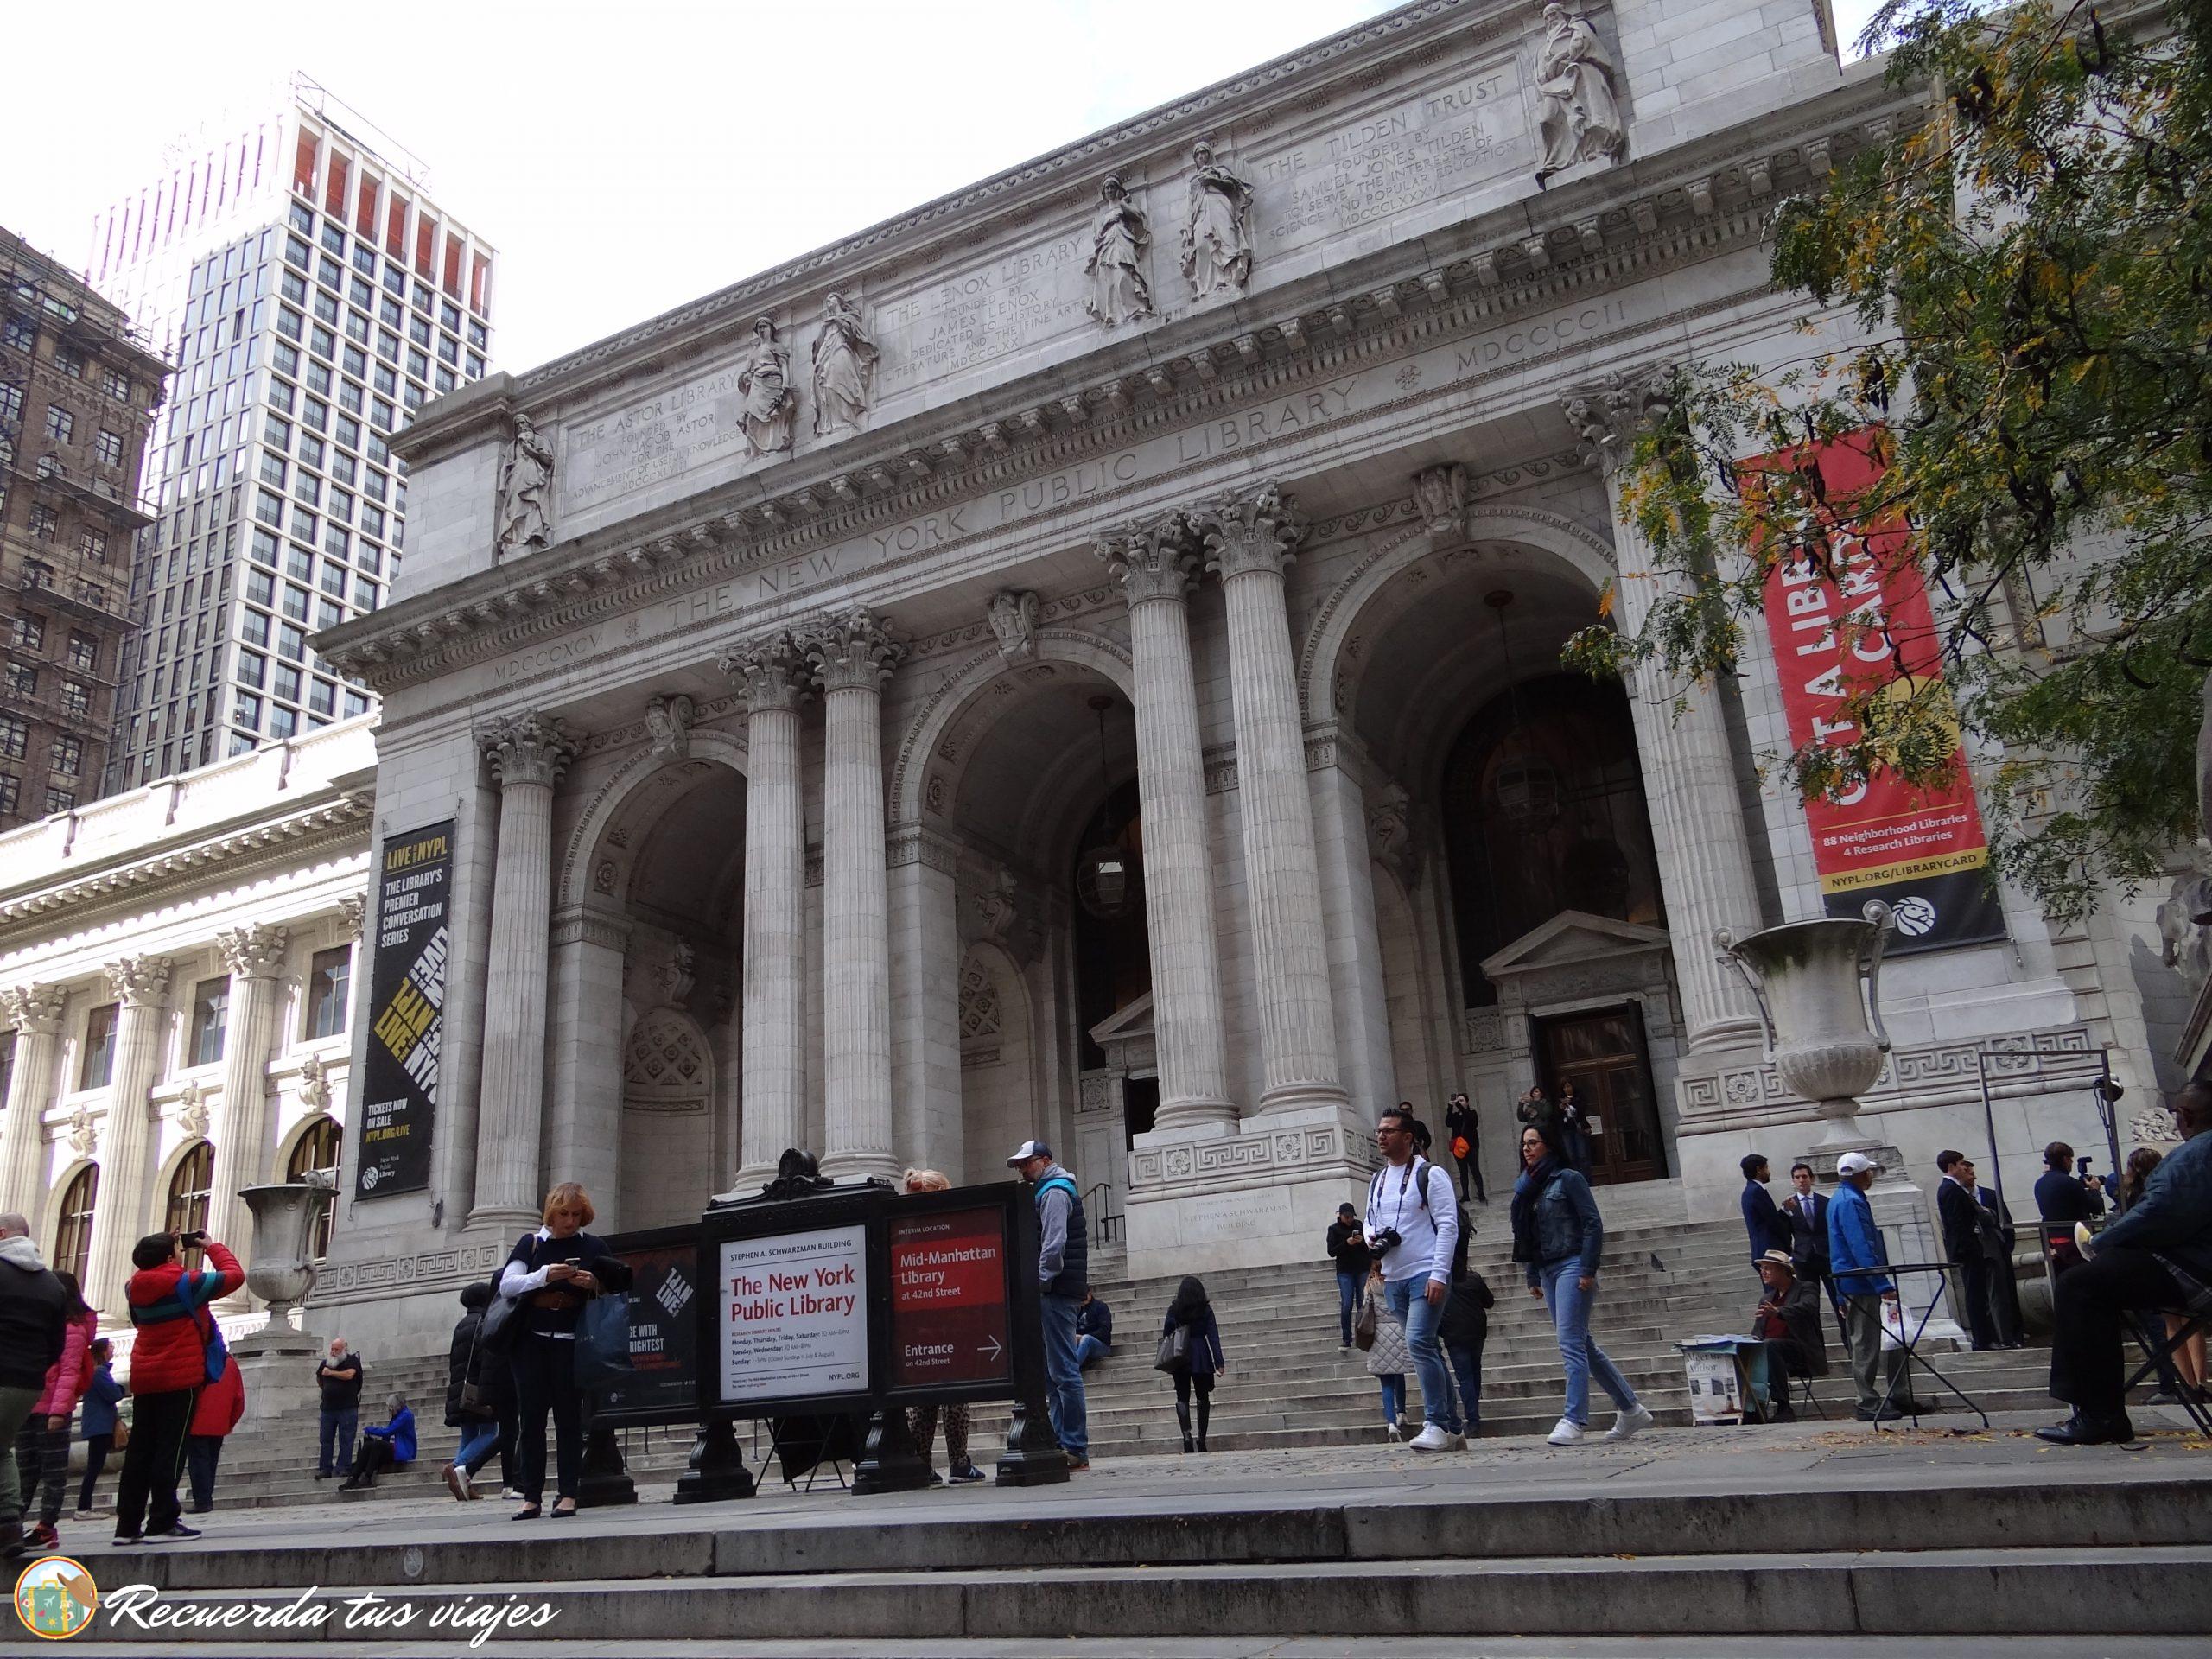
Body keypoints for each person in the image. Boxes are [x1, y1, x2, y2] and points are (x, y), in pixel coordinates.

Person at [2038, 1082, 2212, 1446]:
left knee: (2079, 1285)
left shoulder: (2197, 1153)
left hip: (2195, 1271)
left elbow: (2160, 1212)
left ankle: (2100, 1414)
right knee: (2094, 1280)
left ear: (2186, 1115)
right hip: (2194, 1263)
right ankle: (2098, 1410)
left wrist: (2100, 1242)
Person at [1511, 1121, 1652, 1446]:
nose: (1527, 1149)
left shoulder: (1568, 1178)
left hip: (1573, 1263)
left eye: (1533, 1142)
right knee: (1582, 1343)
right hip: (1547, 1268)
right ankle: (1630, 1408)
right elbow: (1528, 1234)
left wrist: (1588, 1268)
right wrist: (1532, 1273)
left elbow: (1592, 1223)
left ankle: (1573, 1419)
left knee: (1570, 1342)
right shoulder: (1527, 1186)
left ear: (1549, 1145)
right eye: (1524, 1144)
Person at [497, 1182, 632, 1519]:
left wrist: (593, 1284)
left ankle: (568, 1493)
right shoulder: (532, 1245)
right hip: (532, 1341)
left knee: (569, 1420)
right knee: (530, 1419)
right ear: (551, 1214)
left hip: (572, 1343)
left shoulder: (594, 1246)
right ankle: (531, 1495)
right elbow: (507, 1285)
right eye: (563, 1214)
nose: (569, 1221)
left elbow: (617, 1288)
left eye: (575, 1215)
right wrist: (543, 1275)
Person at [115, 1228, 244, 1544]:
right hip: (181, 1377)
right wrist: (211, 1246)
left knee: (140, 1451)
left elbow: (146, 1289)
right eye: (177, 1249)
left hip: (145, 1377)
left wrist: (160, 1246)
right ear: (171, 1257)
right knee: (171, 1451)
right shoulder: (188, 1283)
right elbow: (235, 1275)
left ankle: (127, 1525)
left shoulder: (133, 1288)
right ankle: (162, 1520)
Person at [1363, 1106, 1463, 1452]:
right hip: (1394, 1277)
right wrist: (1372, 1240)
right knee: (1427, 1348)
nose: (1381, 1136)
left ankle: (1435, 1423)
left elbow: (1448, 1225)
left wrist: (1439, 1273)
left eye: (1388, 1131)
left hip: (1425, 1272)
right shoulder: (1377, 1180)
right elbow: (1368, 1222)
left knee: (1419, 1343)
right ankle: (1453, 1427)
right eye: (1379, 1130)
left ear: (1407, 1137)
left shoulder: (1430, 1174)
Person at [898, 1168, 984, 1484]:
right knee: (956, 1395)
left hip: (918, 1327)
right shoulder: (949, 1226)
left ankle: (921, 1465)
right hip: (951, 1322)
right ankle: (959, 1462)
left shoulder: (903, 1229)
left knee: (922, 1398)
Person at [1008, 1141, 1089, 1471]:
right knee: (1055, 1374)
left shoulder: (1054, 1192)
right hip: (1056, 1290)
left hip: (1054, 1291)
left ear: (1044, 1160)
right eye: (1020, 1165)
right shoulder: (1048, 1190)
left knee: (1063, 1372)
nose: (1023, 1170)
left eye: (1027, 1164)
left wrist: (1039, 1283)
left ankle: (1074, 1446)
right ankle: (1062, 1441)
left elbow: (1053, 1246)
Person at [0, 1212, 70, 1559]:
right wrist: (33, 1368)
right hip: (27, 1383)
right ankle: (9, 1524)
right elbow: (57, 1344)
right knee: (2, 1450)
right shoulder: (51, 1284)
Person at [1827, 1151, 1911, 1421]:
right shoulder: (1851, 1201)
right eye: (1870, 1172)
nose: (1872, 1176)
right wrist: (1880, 1282)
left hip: (1851, 1281)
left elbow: (1840, 1248)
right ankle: (1868, 1402)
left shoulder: (1838, 1199)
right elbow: (1860, 1245)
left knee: (1876, 1340)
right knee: (1866, 1343)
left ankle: (1890, 1396)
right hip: (1860, 1282)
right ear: (1863, 1174)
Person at [16, 1269, 95, 1551]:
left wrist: (58, 1412)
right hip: (28, 1406)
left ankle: (46, 1526)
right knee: (24, 1471)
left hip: (51, 1410)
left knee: (52, 1472)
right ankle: (14, 1525)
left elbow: (68, 1374)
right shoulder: (42, 1326)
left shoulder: (72, 1330)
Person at [443, 1282, 505, 1501]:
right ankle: (458, 1466)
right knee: (490, 1433)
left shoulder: (461, 1325)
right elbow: (485, 1357)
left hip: (461, 1388)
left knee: (468, 1434)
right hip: (479, 1388)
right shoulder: (483, 1321)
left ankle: (463, 1484)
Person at [1749, 1250, 1827, 1421]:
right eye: (1762, 1268)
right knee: (1743, 1350)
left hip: (1799, 1351)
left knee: (1770, 1345)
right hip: (1769, 1351)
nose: (1763, 1272)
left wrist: (1778, 1312)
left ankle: (1784, 1407)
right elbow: (1758, 1331)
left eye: (1768, 1268)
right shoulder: (1767, 1298)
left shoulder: (1806, 1289)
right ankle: (1751, 1409)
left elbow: (1808, 1308)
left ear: (1783, 1270)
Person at [1936, 1151, 2001, 1351]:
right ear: (1951, 1166)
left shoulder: (1953, 1189)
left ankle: (1986, 1338)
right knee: (1976, 1296)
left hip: (1969, 1248)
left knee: (1978, 1294)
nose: (1964, 1168)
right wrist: (1968, 1247)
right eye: (1960, 1164)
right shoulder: (1951, 1189)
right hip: (1967, 1249)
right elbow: (1957, 1223)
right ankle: (1983, 1339)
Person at [1160, 1276, 1226, 1453]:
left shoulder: (1174, 1309)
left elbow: (1167, 1333)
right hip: (1200, 1354)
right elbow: (1213, 1337)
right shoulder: (1205, 1310)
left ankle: (1187, 1437)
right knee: (1202, 1396)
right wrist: (1219, 1362)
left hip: (1180, 1354)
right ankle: (1201, 1438)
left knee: (1182, 1397)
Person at [1438, 1260, 1493, 1440]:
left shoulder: (1442, 1282)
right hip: (1476, 1330)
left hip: (1454, 1334)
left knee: (1465, 1377)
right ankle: (1474, 1413)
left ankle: (1473, 1418)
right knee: (1475, 1371)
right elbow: (1489, 1301)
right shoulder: (1473, 1278)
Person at [72, 1339, 124, 1522]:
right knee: (94, 1467)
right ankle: (83, 1507)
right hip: (101, 1425)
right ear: (102, 1351)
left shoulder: (95, 1371)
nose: (113, 1349)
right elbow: (114, 1394)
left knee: (94, 1466)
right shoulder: (100, 1372)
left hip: (97, 1424)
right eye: (110, 1347)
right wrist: (120, 1388)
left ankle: (84, 1507)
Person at [185, 1355, 244, 1513]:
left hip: (197, 1421)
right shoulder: (230, 1363)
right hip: (220, 1421)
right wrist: (231, 1421)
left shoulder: (196, 1360)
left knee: (198, 1463)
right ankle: (206, 1498)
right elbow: (239, 1397)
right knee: (210, 1462)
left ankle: (203, 1500)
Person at [2035, 1141, 2107, 1271]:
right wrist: (2095, 1190)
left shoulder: (2040, 1183)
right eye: (2071, 1160)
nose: (2071, 1163)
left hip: (2052, 1240)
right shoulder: (2069, 1183)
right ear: (2065, 1159)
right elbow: (2096, 1208)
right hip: (2073, 1240)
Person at [1363, 1262, 1413, 1441]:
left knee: (1386, 1382)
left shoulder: (1369, 1288)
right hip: (1399, 1331)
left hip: (1379, 1335)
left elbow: (1365, 1311)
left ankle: (1391, 1423)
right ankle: (1402, 1412)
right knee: (1400, 1374)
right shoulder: (1397, 1283)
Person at [1976, 1176, 2024, 1346]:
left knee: (2008, 1292)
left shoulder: (1989, 1195)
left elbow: (2006, 1221)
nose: (1972, 1175)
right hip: (1979, 1255)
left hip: (1999, 1251)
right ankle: (1995, 1335)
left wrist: (2007, 1246)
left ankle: (2015, 1333)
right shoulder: (1959, 1196)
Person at [340, 1393, 416, 1491]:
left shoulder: (406, 1416)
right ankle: (354, 1477)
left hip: (404, 1449)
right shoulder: (398, 1415)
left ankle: (368, 1476)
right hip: (396, 1447)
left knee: (377, 1445)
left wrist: (370, 1429)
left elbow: (388, 1431)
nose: (390, 1410)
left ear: (397, 1406)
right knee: (368, 1445)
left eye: (391, 1408)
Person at [315, 1338, 365, 1479]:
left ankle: (343, 1467)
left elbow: (349, 1374)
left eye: (336, 1349)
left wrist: (332, 1374)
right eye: (332, 1349)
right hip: (328, 1408)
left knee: (347, 1439)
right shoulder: (326, 1363)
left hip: (347, 1407)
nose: (333, 1352)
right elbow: (319, 1378)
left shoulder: (351, 1360)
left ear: (344, 1349)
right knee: (326, 1439)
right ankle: (325, 1468)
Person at [1325, 1203, 1371, 1351]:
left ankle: (1362, 1336)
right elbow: (1331, 1251)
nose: (1350, 1220)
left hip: (1361, 1268)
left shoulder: (1359, 1225)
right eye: (1347, 1217)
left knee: (1362, 1302)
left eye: (1351, 1217)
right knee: (1346, 1303)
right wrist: (1346, 1243)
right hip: (1345, 1270)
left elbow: (1368, 1248)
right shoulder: (1334, 1229)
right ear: (1341, 1215)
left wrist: (1361, 1242)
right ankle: (1346, 1338)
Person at [1780, 1163, 1831, 1285]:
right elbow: (1785, 1232)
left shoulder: (1825, 1202)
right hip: (1803, 1258)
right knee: (1809, 1298)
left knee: (1837, 1295)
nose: (1801, 1180)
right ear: (1793, 1181)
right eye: (1797, 1178)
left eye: (1804, 1176)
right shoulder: (1788, 1205)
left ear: (1811, 1179)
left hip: (1826, 1255)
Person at [1740, 1155, 1789, 1281]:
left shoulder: (1750, 1191)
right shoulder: (1756, 1191)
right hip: (1769, 1251)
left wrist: (1784, 1210)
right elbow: (1772, 1222)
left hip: (1763, 1249)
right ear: (1759, 1170)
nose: (1769, 1172)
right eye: (1766, 1168)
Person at [1445, 1093, 1486, 1203]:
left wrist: (1459, 1106)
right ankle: (1465, 1195)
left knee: (1474, 1169)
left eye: (1462, 1100)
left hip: (1472, 1145)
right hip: (1458, 1146)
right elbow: (1448, 1123)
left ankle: (1481, 1193)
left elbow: (1471, 1121)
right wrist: (1450, 1107)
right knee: (1463, 1171)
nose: (1459, 1102)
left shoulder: (1472, 1113)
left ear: (1467, 1102)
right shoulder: (1455, 1116)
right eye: (1458, 1101)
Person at [1556, 1080, 1592, 1174]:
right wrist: (1561, 1108)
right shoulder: (1560, 1100)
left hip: (1578, 1128)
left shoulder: (1579, 1097)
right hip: (1566, 1130)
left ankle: (1586, 1178)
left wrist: (1571, 1102)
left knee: (1582, 1155)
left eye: (1568, 1086)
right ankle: (1576, 1178)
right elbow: (1556, 1116)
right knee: (1571, 1155)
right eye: (1564, 1087)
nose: (1567, 1089)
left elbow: (1583, 1110)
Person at [1076, 1288, 1114, 1371]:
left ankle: (1071, 1371)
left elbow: (1105, 1330)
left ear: (1090, 1294)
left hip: (1101, 1346)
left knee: (1086, 1338)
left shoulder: (1100, 1307)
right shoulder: (1077, 1310)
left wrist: (1083, 1337)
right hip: (1080, 1345)